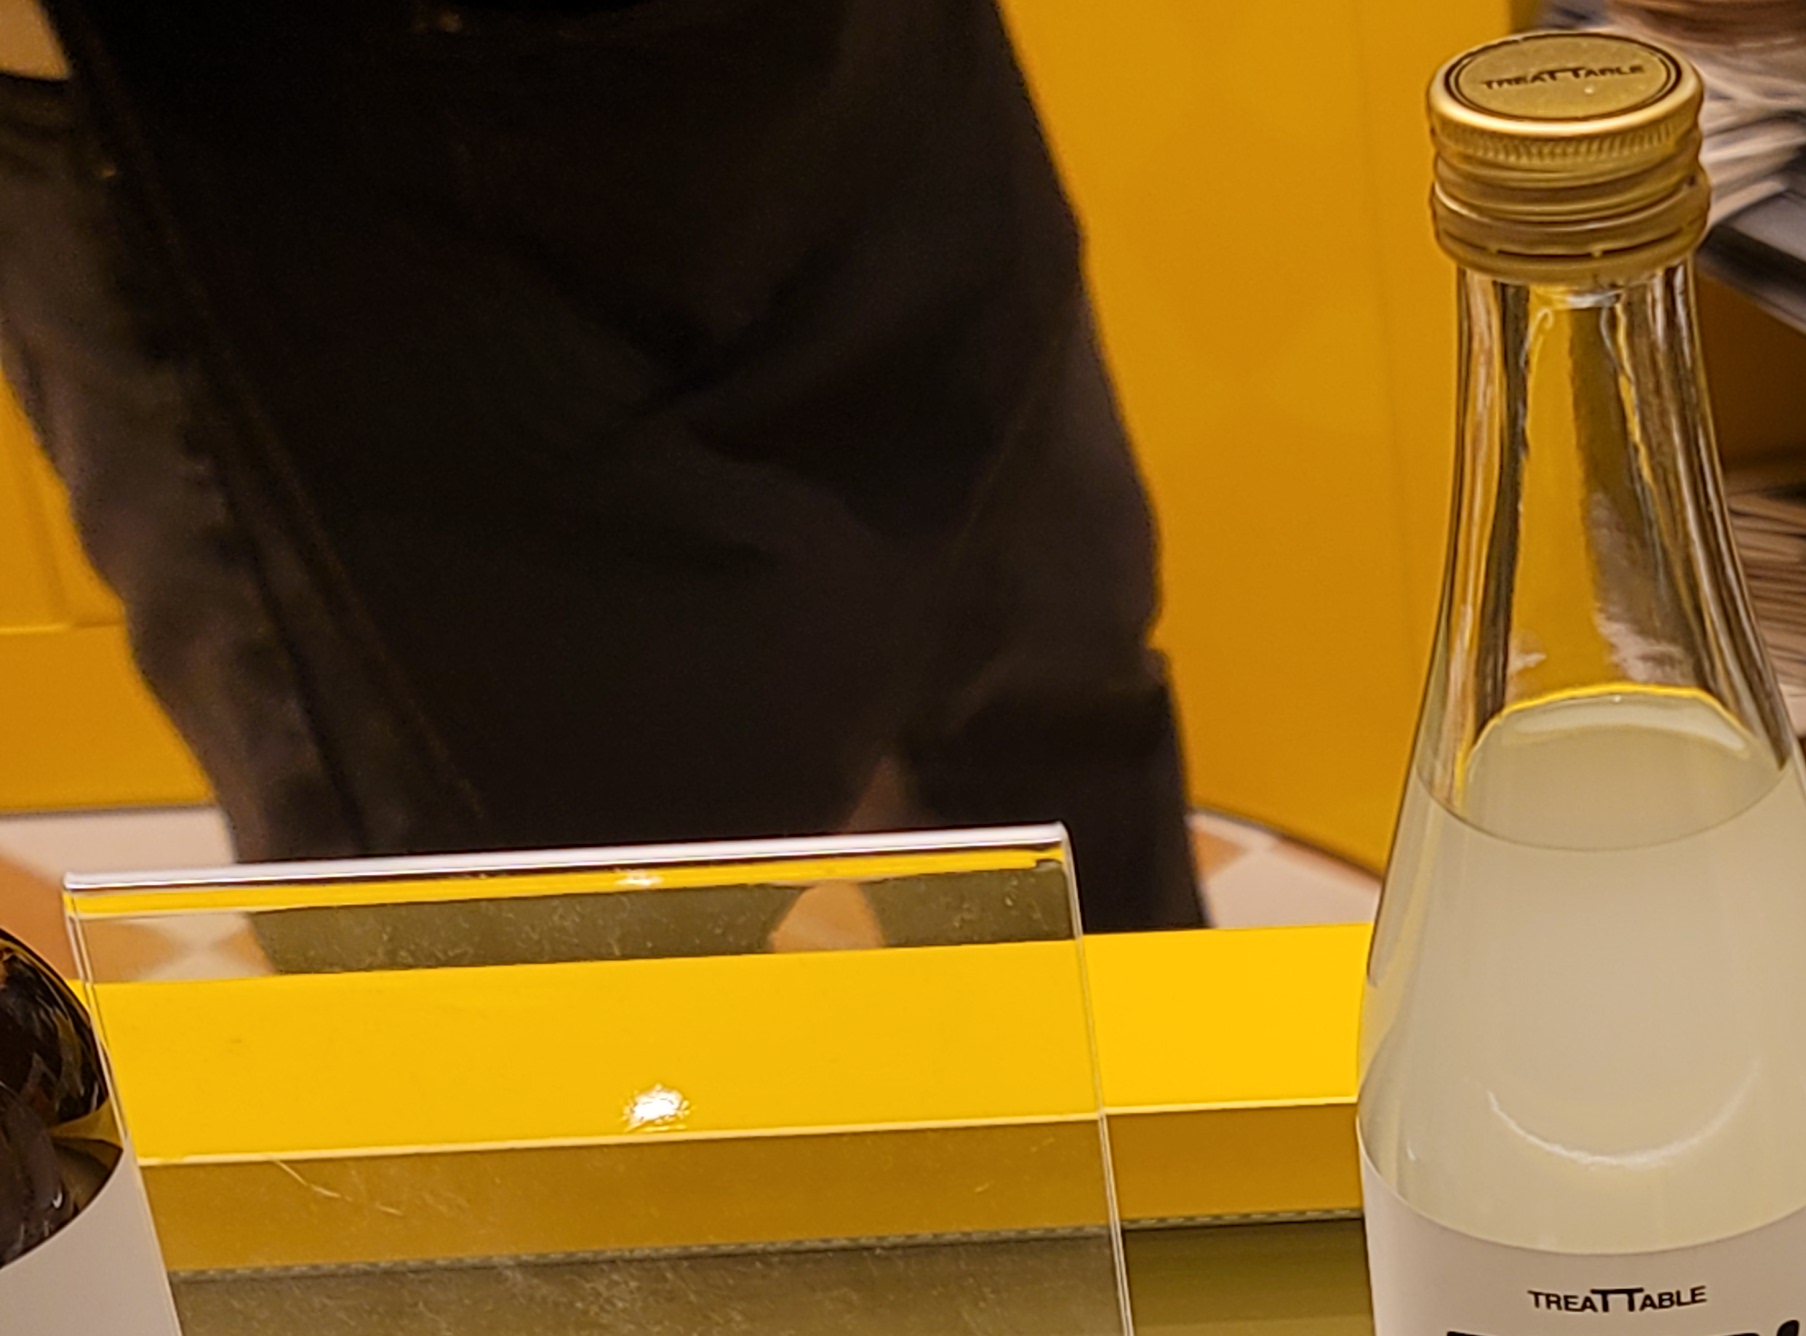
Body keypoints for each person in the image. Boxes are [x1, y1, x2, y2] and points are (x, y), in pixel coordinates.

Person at [0, 0, 1206, 932]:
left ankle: (1156, 1148)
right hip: (304, 166)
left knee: (1045, 721)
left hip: (855, 69)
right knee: (526, 926)